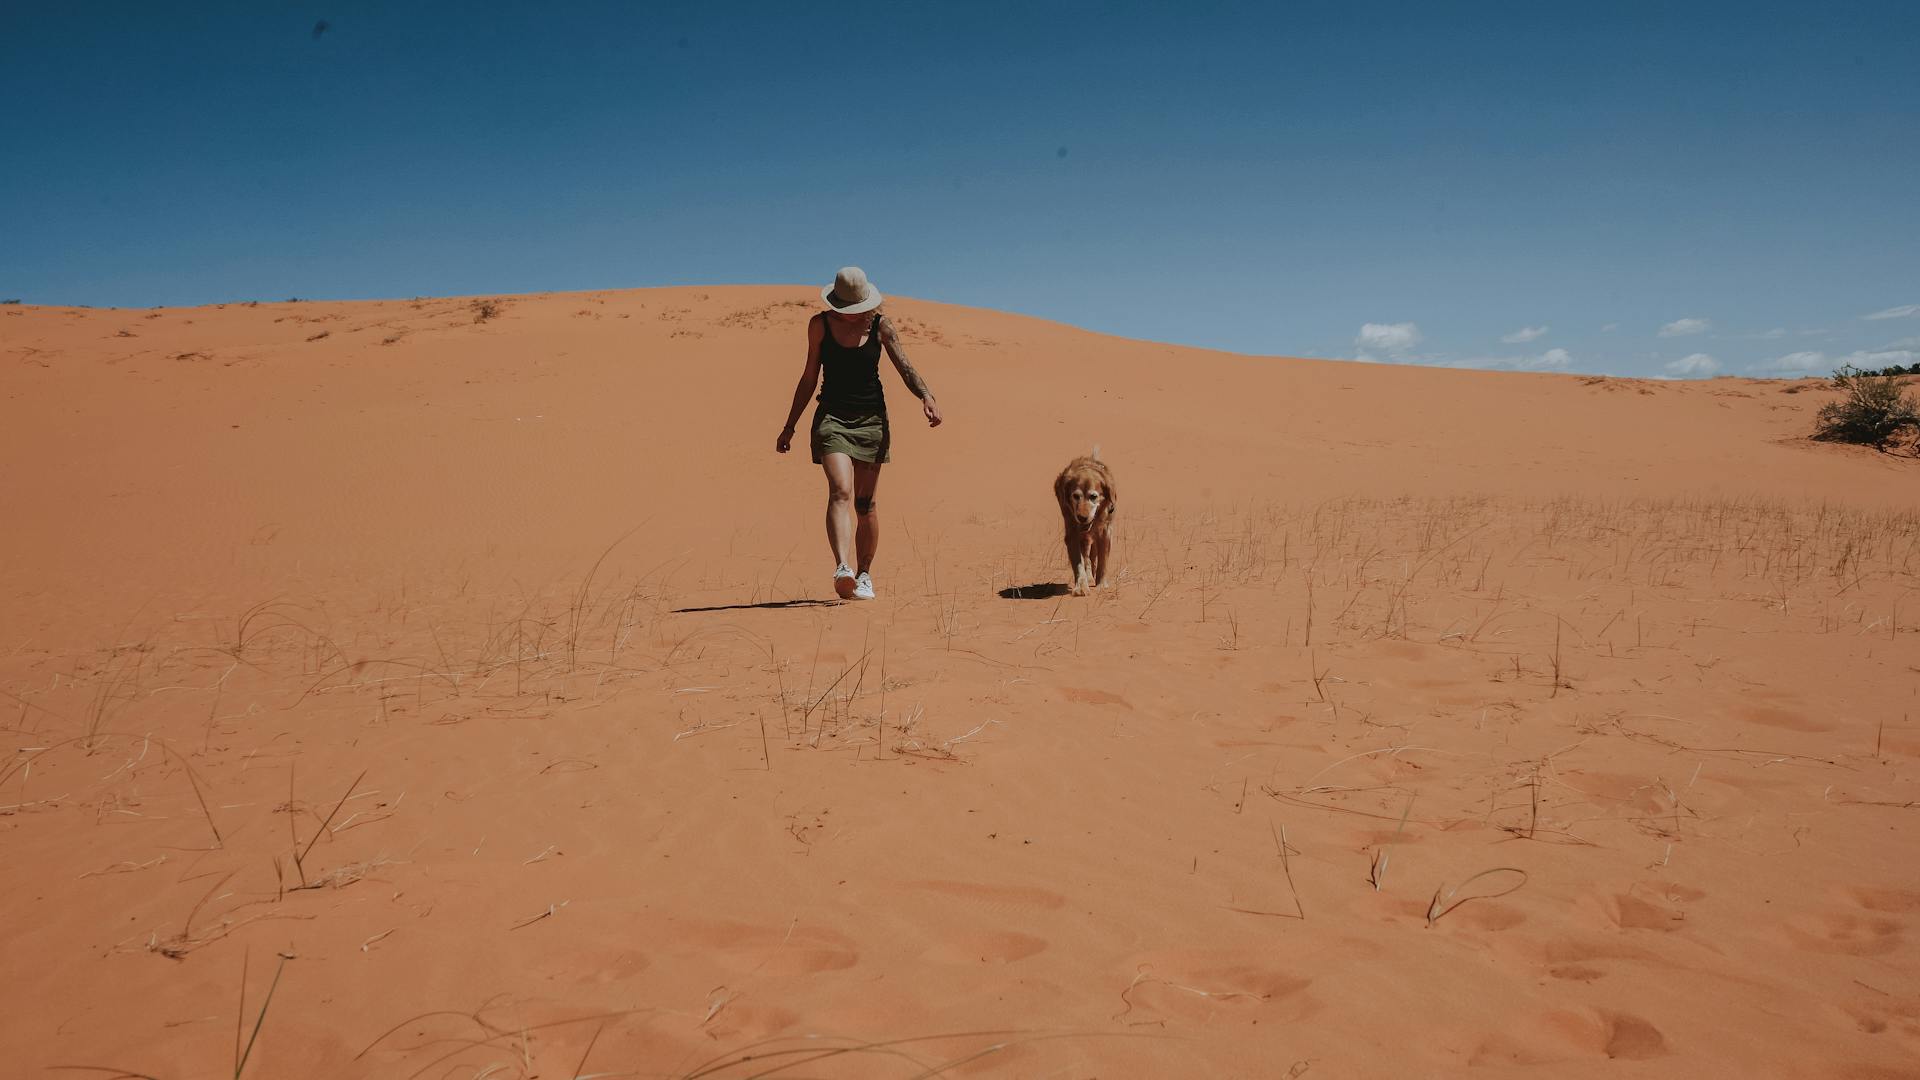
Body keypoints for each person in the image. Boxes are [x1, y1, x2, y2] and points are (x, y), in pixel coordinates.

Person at [776, 267, 943, 600]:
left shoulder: (882, 327)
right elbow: (809, 376)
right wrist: (790, 425)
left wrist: (926, 395)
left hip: (871, 422)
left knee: (865, 506)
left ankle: (865, 574)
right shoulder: (819, 326)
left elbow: (905, 367)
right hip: (832, 418)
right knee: (840, 490)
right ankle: (843, 567)